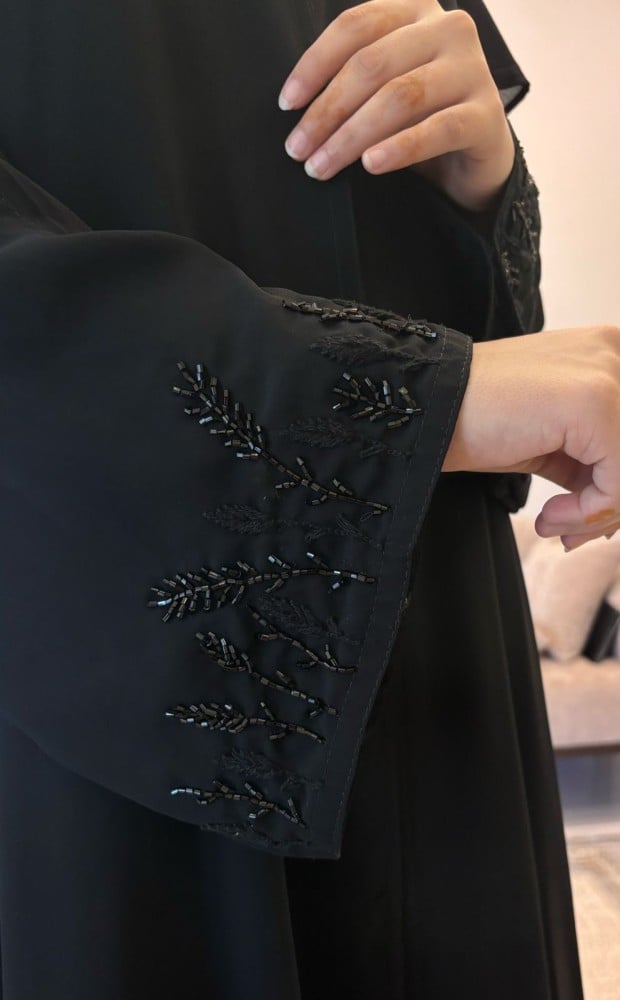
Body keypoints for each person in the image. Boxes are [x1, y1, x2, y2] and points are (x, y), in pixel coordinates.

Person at [0, 0, 616, 997]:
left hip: (445, 640)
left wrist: (482, 176)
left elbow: (488, 318)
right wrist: (417, 399)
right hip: (126, 685)